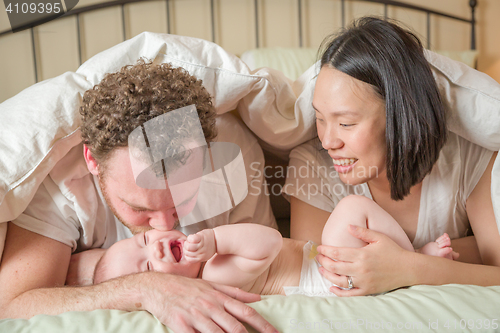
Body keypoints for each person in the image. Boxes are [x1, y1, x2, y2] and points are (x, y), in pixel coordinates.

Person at [0, 60, 279, 333]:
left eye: (182, 201)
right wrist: (145, 288)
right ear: (92, 162)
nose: (165, 227)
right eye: (139, 207)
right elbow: (12, 306)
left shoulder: (233, 155)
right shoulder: (58, 187)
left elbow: (273, 271)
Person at [284, 17, 500, 296]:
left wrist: (408, 267)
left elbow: (495, 272)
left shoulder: (468, 157)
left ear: (400, 115)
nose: (328, 141)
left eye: (346, 123)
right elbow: (316, 282)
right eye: (320, 118)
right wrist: (458, 252)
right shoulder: (311, 163)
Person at [93, 195, 458, 296]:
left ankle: (405, 257)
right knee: (350, 210)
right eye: (146, 266)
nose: (153, 248)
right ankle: (411, 259)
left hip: (319, 260)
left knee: (350, 217)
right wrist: (217, 239)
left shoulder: (207, 259)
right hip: (327, 277)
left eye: (142, 240)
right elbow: (268, 241)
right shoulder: (213, 276)